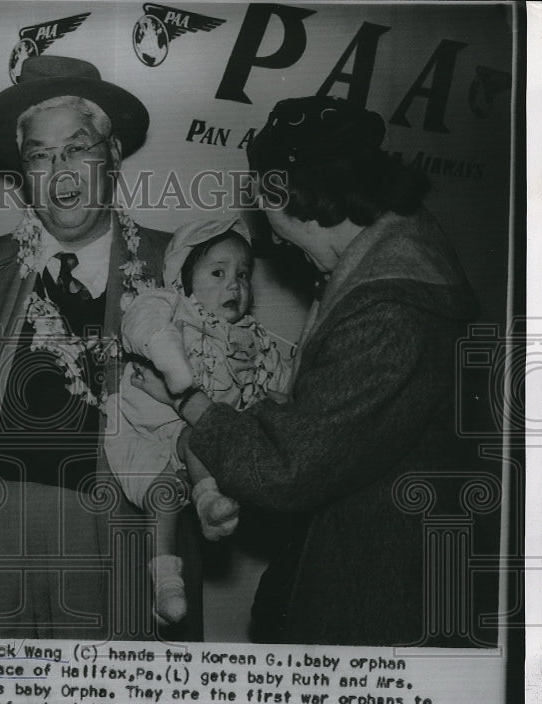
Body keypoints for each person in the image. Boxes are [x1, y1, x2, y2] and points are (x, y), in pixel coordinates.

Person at [130, 95, 482, 646]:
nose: (269, 236)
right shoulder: (392, 266)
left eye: (267, 207)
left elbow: (285, 468)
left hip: (379, 593)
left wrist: (189, 402)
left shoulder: (390, 312)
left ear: (290, 196)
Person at [0, 55, 184, 640]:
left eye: (78, 149)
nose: (62, 172)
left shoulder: (175, 264)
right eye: (41, 156)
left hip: (122, 529)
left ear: (115, 156)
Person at [106, 216, 292, 625]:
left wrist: (284, 394)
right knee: (165, 492)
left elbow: (276, 381)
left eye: (243, 275)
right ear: (186, 279)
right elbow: (141, 320)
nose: (234, 285)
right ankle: (169, 579)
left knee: (190, 453)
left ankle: (182, 555)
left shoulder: (253, 337)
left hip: (197, 442)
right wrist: (169, 355)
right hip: (143, 430)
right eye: (219, 273)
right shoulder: (173, 307)